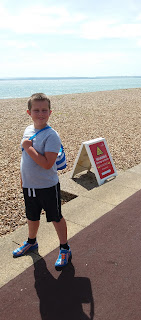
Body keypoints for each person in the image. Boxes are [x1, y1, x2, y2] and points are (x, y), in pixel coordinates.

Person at [12, 93, 71, 270]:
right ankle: (32, 242)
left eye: (44, 110)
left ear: (50, 112)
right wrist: (23, 179)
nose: (40, 114)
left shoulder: (52, 136)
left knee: (56, 217)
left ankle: (64, 248)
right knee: (32, 216)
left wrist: (28, 148)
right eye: (36, 110)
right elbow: (25, 159)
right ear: (28, 112)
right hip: (30, 186)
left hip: (47, 186)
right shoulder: (28, 130)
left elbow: (47, 164)